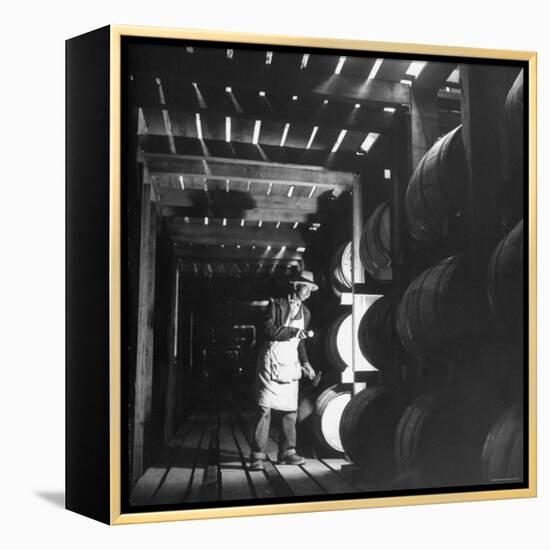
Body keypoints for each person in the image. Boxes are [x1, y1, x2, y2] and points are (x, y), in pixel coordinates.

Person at [250, 270, 319, 470]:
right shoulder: (276, 304)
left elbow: (300, 343)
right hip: (270, 360)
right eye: (306, 288)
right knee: (265, 408)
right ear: (296, 285)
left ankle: (287, 452)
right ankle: (257, 456)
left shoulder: (306, 312)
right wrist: (294, 331)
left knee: (290, 410)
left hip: (290, 361)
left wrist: (306, 363)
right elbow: (268, 330)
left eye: (311, 290)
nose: (309, 293)